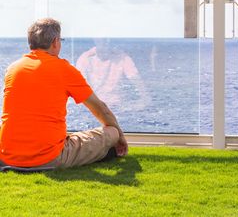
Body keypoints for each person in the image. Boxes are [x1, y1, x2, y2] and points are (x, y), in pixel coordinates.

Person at [0, 18, 128, 170]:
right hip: (48, 158)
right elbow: (101, 109)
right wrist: (120, 136)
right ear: (55, 42)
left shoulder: (13, 69)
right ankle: (105, 152)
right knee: (112, 132)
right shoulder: (64, 69)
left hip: (6, 156)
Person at [76, 39, 151, 110]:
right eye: (101, 37)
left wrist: (142, 101)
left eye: (106, 38)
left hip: (117, 107)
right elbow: (78, 87)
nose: (104, 40)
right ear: (95, 39)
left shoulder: (122, 57)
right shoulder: (85, 58)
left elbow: (136, 80)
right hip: (93, 106)